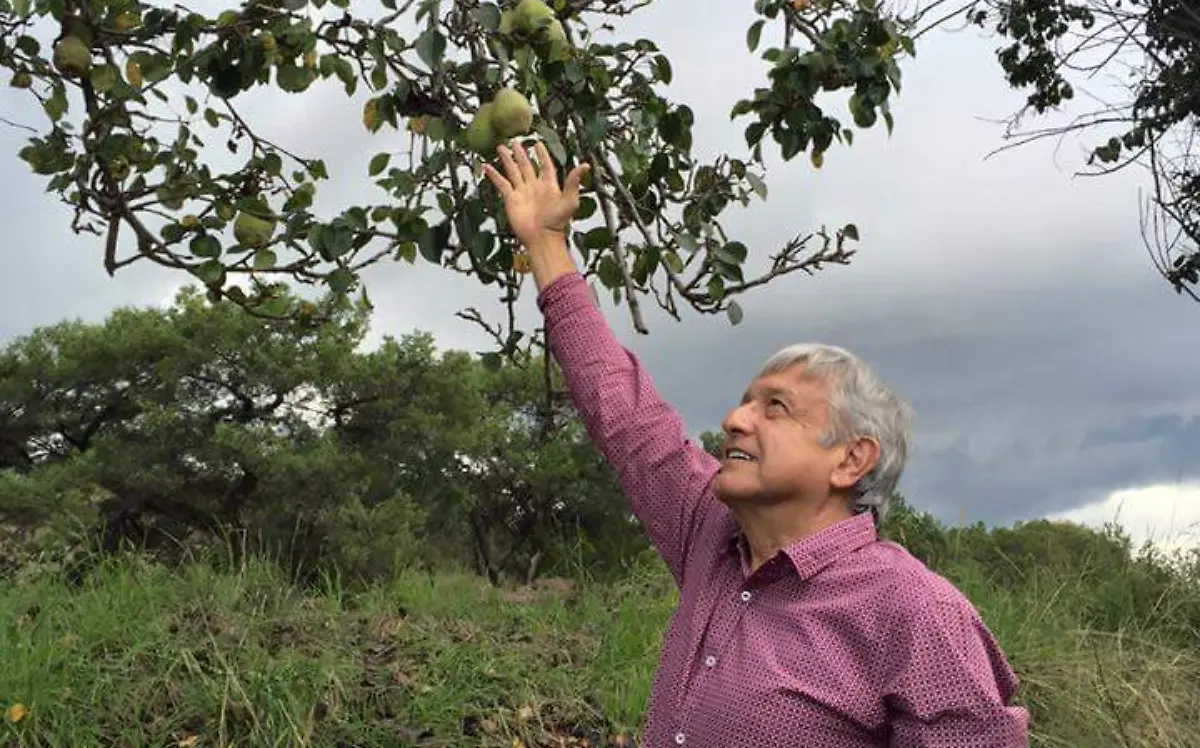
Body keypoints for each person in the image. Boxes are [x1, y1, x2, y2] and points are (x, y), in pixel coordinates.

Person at [481, 141, 1029, 747]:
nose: (735, 420)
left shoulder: (912, 611)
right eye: (745, 401)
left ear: (851, 459)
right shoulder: (709, 534)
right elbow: (624, 411)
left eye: (776, 407)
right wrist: (546, 245)